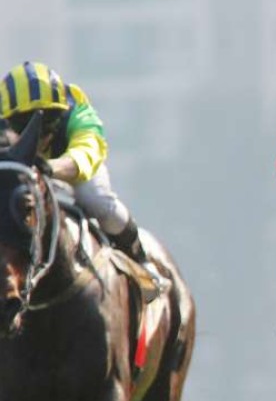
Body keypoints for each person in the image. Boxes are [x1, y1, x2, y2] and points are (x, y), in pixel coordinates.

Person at [0, 61, 163, 284]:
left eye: (47, 120)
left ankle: (141, 261)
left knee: (96, 199)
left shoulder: (78, 114)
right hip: (19, 177)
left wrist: (51, 168)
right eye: (23, 124)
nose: (37, 133)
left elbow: (86, 154)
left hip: (69, 170)